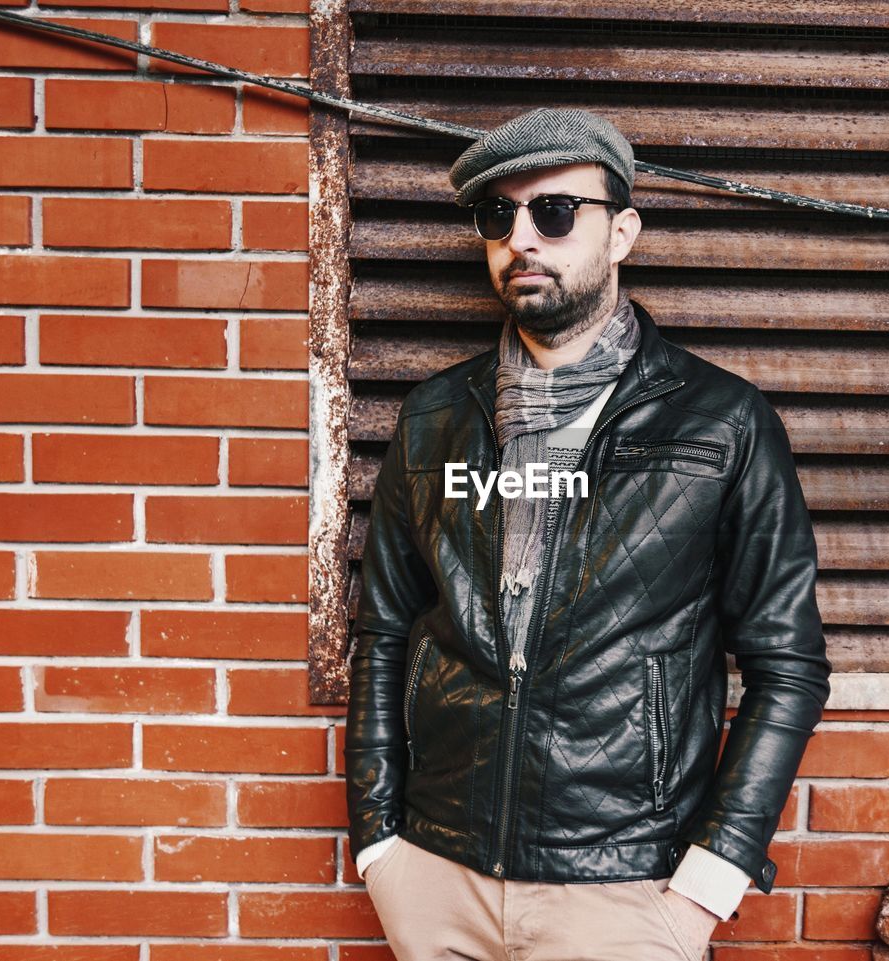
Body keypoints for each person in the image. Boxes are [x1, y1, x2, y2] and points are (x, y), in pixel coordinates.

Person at [345, 106, 832, 961]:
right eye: (499, 215)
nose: (522, 237)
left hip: (624, 889)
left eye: (555, 212)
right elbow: (384, 632)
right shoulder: (431, 422)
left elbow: (786, 667)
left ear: (622, 233)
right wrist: (381, 841)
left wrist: (706, 885)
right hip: (438, 874)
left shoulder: (721, 424)